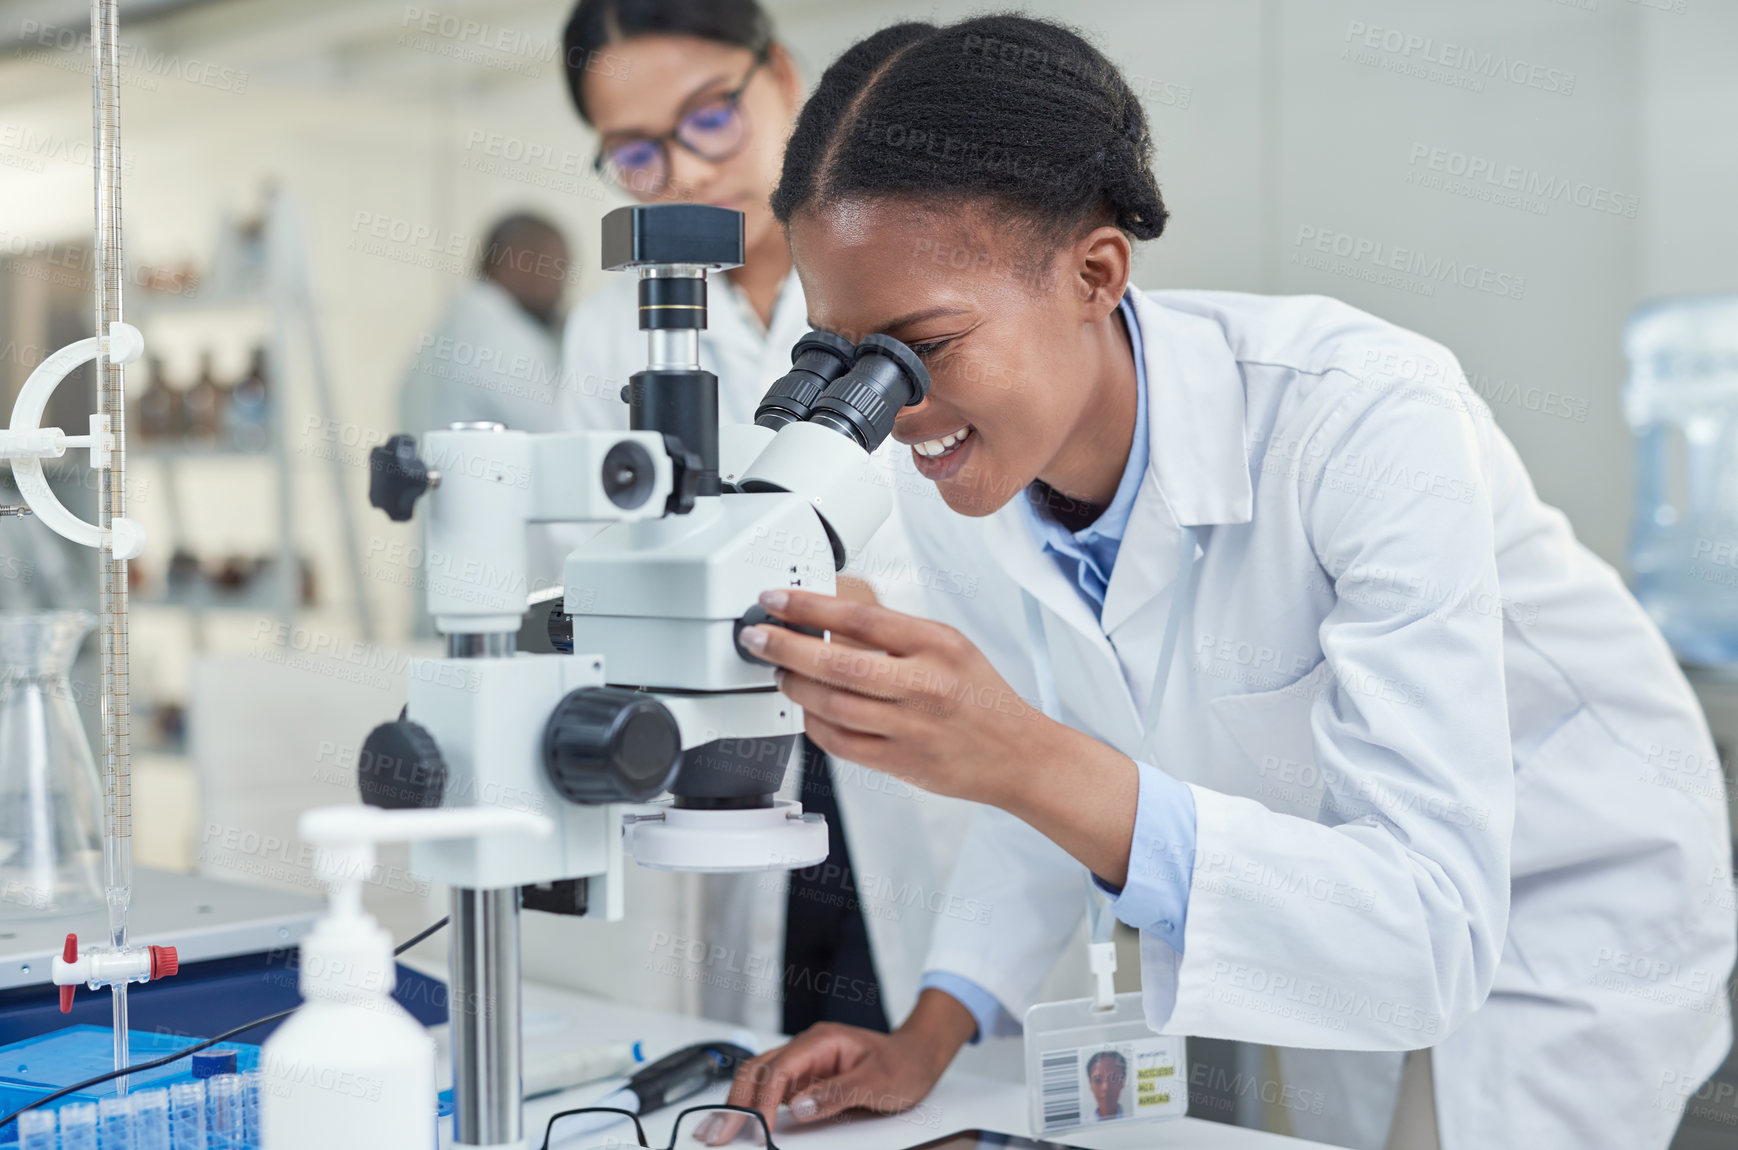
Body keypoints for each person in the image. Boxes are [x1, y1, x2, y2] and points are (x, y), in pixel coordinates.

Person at [703, 14, 1737, 1150]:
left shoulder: (1361, 418)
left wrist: (1017, 752)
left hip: (1562, 897)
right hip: (1343, 891)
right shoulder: (953, 476)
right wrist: (928, 1035)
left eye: (925, 346)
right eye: (841, 356)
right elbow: (1045, 774)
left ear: (1095, 272)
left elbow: (1425, 927)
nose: (888, 409)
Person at [547, 0, 975, 1038]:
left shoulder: (918, 271)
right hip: (719, 750)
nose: (688, 176)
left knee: (932, 1044)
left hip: (921, 756)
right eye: (637, 155)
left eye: (708, 121)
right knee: (760, 1049)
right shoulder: (615, 324)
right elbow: (585, 550)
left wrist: (855, 604)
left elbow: (994, 536)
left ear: (780, 75)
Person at [1085, 1050, 1127, 1122]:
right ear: (1090, 1085)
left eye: (1113, 1079)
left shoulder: (1137, 1119)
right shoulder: (1083, 1125)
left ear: (1122, 1083)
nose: (1105, 1087)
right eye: (1098, 1080)